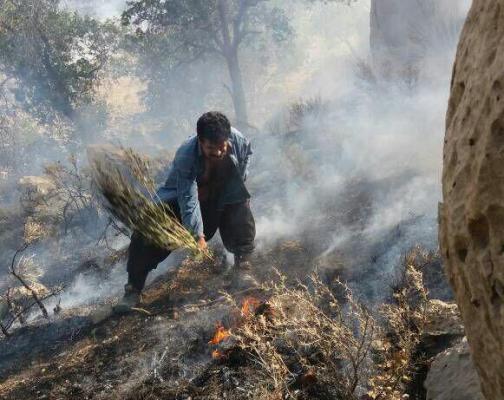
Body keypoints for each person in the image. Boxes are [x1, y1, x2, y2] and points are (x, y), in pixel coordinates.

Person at [115, 111, 256, 313]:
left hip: (220, 195)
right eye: (210, 148)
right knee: (148, 232)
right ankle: (133, 290)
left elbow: (245, 159)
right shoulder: (186, 155)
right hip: (182, 199)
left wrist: (235, 186)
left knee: (239, 204)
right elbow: (188, 198)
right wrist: (197, 234)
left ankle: (243, 268)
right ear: (200, 141)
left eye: (222, 147)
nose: (217, 152)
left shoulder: (238, 139)